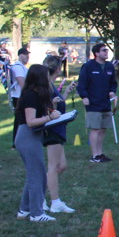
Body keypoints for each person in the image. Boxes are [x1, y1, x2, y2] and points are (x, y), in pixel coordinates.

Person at [14, 64, 60, 222]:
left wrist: (52, 108)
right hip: (27, 137)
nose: (48, 78)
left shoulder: (36, 95)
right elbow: (31, 121)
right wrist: (50, 117)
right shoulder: (30, 96)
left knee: (34, 175)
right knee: (38, 177)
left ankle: (24, 210)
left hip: (33, 137)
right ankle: (36, 213)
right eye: (46, 75)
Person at [42, 55, 76, 214]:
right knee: (53, 166)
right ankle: (54, 202)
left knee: (61, 166)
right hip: (52, 129)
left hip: (59, 128)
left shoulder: (51, 85)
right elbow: (46, 109)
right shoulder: (46, 86)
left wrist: (66, 94)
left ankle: (39, 195)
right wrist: (53, 104)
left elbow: (57, 104)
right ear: (57, 69)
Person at [76, 43, 117, 163]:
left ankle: (100, 153)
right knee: (95, 129)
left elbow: (113, 83)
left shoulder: (109, 66)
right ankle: (94, 156)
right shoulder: (88, 66)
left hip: (105, 103)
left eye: (107, 50)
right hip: (93, 103)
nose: (106, 52)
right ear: (97, 53)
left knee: (103, 129)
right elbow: (81, 83)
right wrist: (84, 96)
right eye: (104, 50)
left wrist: (112, 91)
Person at [9, 46, 29, 147]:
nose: (27, 57)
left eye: (28, 55)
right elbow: (21, 82)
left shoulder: (22, 67)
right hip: (19, 97)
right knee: (19, 120)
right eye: (26, 55)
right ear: (20, 55)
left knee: (23, 119)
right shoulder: (18, 67)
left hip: (21, 96)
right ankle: (15, 143)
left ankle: (21, 141)